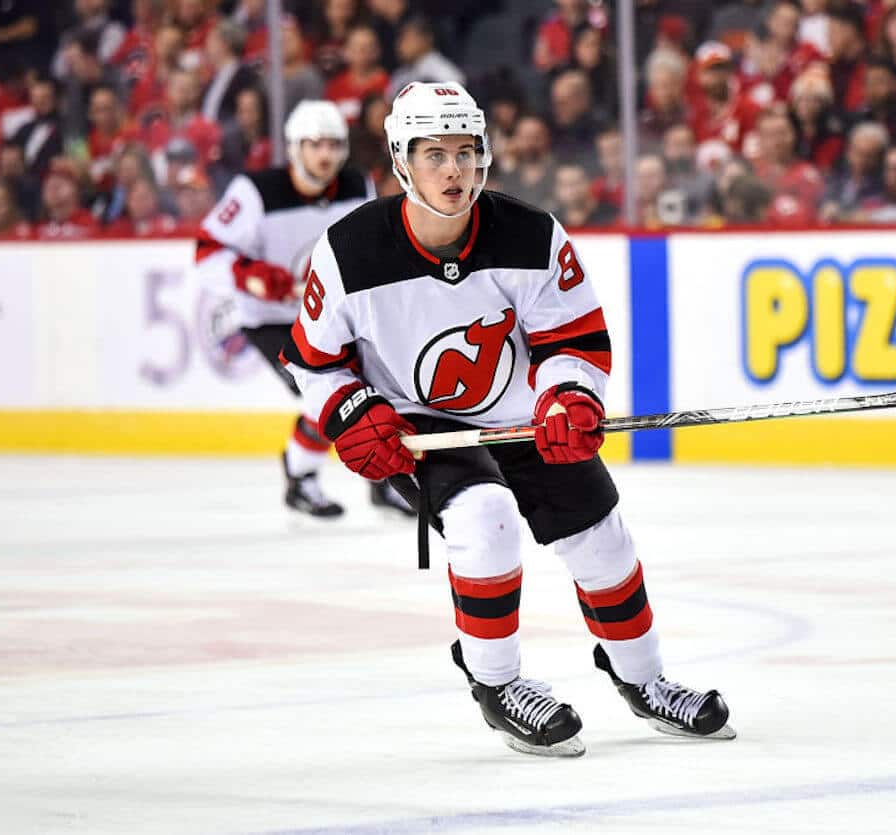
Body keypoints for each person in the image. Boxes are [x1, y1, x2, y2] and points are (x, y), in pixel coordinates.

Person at [280, 81, 735, 758]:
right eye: (434, 154)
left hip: (524, 416)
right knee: (484, 517)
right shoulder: (348, 252)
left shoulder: (532, 234)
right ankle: (497, 683)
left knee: (602, 539)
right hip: (420, 422)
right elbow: (312, 361)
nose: (453, 170)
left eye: (465, 152)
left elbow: (573, 342)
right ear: (402, 161)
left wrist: (569, 397)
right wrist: (352, 412)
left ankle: (643, 678)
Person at [193, 100, 410, 519]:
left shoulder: (357, 185)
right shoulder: (255, 191)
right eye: (314, 144)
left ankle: (385, 480)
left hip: (333, 318)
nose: (324, 154)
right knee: (322, 395)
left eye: (332, 144)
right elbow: (207, 252)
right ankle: (300, 479)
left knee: (383, 389)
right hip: (273, 321)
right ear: (295, 148)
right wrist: (249, 274)